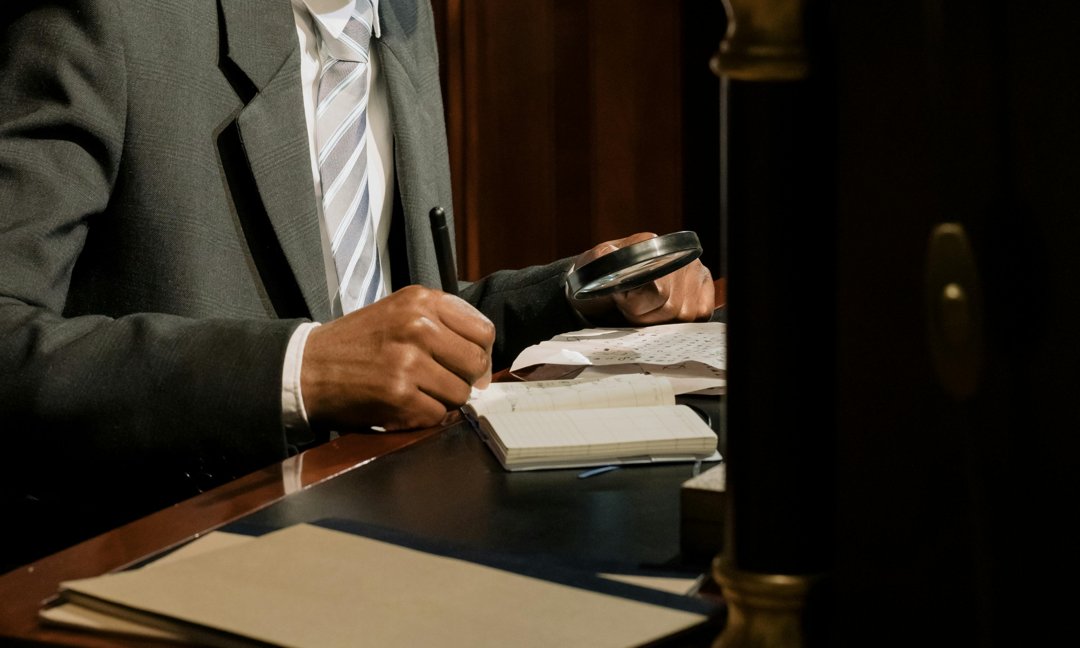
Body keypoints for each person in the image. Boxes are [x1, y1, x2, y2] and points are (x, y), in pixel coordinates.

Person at [0, 0, 714, 568]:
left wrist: (579, 289)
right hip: (167, 554)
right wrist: (303, 370)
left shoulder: (399, 16)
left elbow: (387, 328)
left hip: (398, 528)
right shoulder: (105, 17)